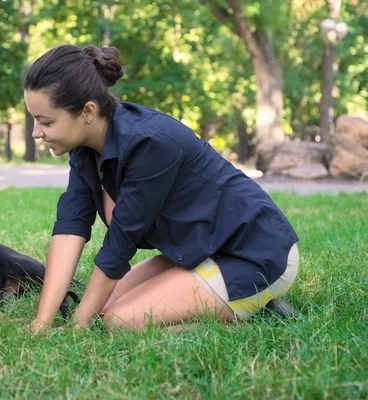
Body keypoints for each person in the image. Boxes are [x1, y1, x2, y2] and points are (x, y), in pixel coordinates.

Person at [23, 45, 300, 332]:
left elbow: (119, 247)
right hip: (201, 250)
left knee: (120, 322)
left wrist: (76, 328)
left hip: (254, 253)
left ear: (87, 111)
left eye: (46, 121)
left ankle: (255, 314)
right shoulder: (83, 149)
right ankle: (225, 301)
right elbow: (70, 229)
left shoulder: (150, 143)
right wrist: (41, 323)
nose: (36, 132)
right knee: (99, 309)